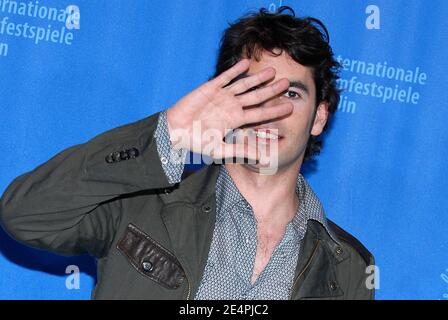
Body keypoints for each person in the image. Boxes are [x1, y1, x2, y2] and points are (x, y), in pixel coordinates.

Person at [0, 6, 374, 299]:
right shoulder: (139, 201)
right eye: (255, 90)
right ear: (222, 98)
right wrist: (170, 135)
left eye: (291, 94)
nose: (269, 110)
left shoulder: (350, 266)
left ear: (319, 117)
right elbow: (25, 215)